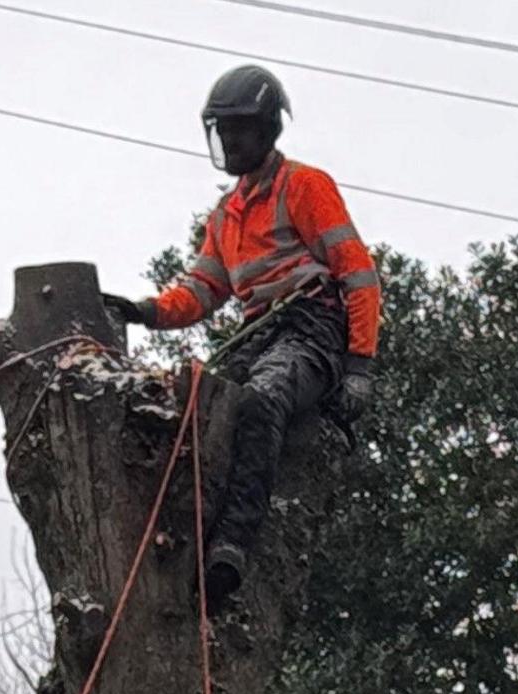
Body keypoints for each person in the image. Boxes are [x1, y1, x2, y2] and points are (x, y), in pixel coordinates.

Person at [105, 64, 380, 608]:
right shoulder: (226, 216)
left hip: (313, 327)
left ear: (267, 131)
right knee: (193, 410)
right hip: (259, 334)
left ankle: (233, 544)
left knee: (262, 397)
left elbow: (358, 273)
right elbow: (202, 291)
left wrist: (359, 367)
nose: (230, 141)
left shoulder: (304, 186)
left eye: (240, 130)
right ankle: (179, 536)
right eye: (223, 131)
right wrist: (144, 311)